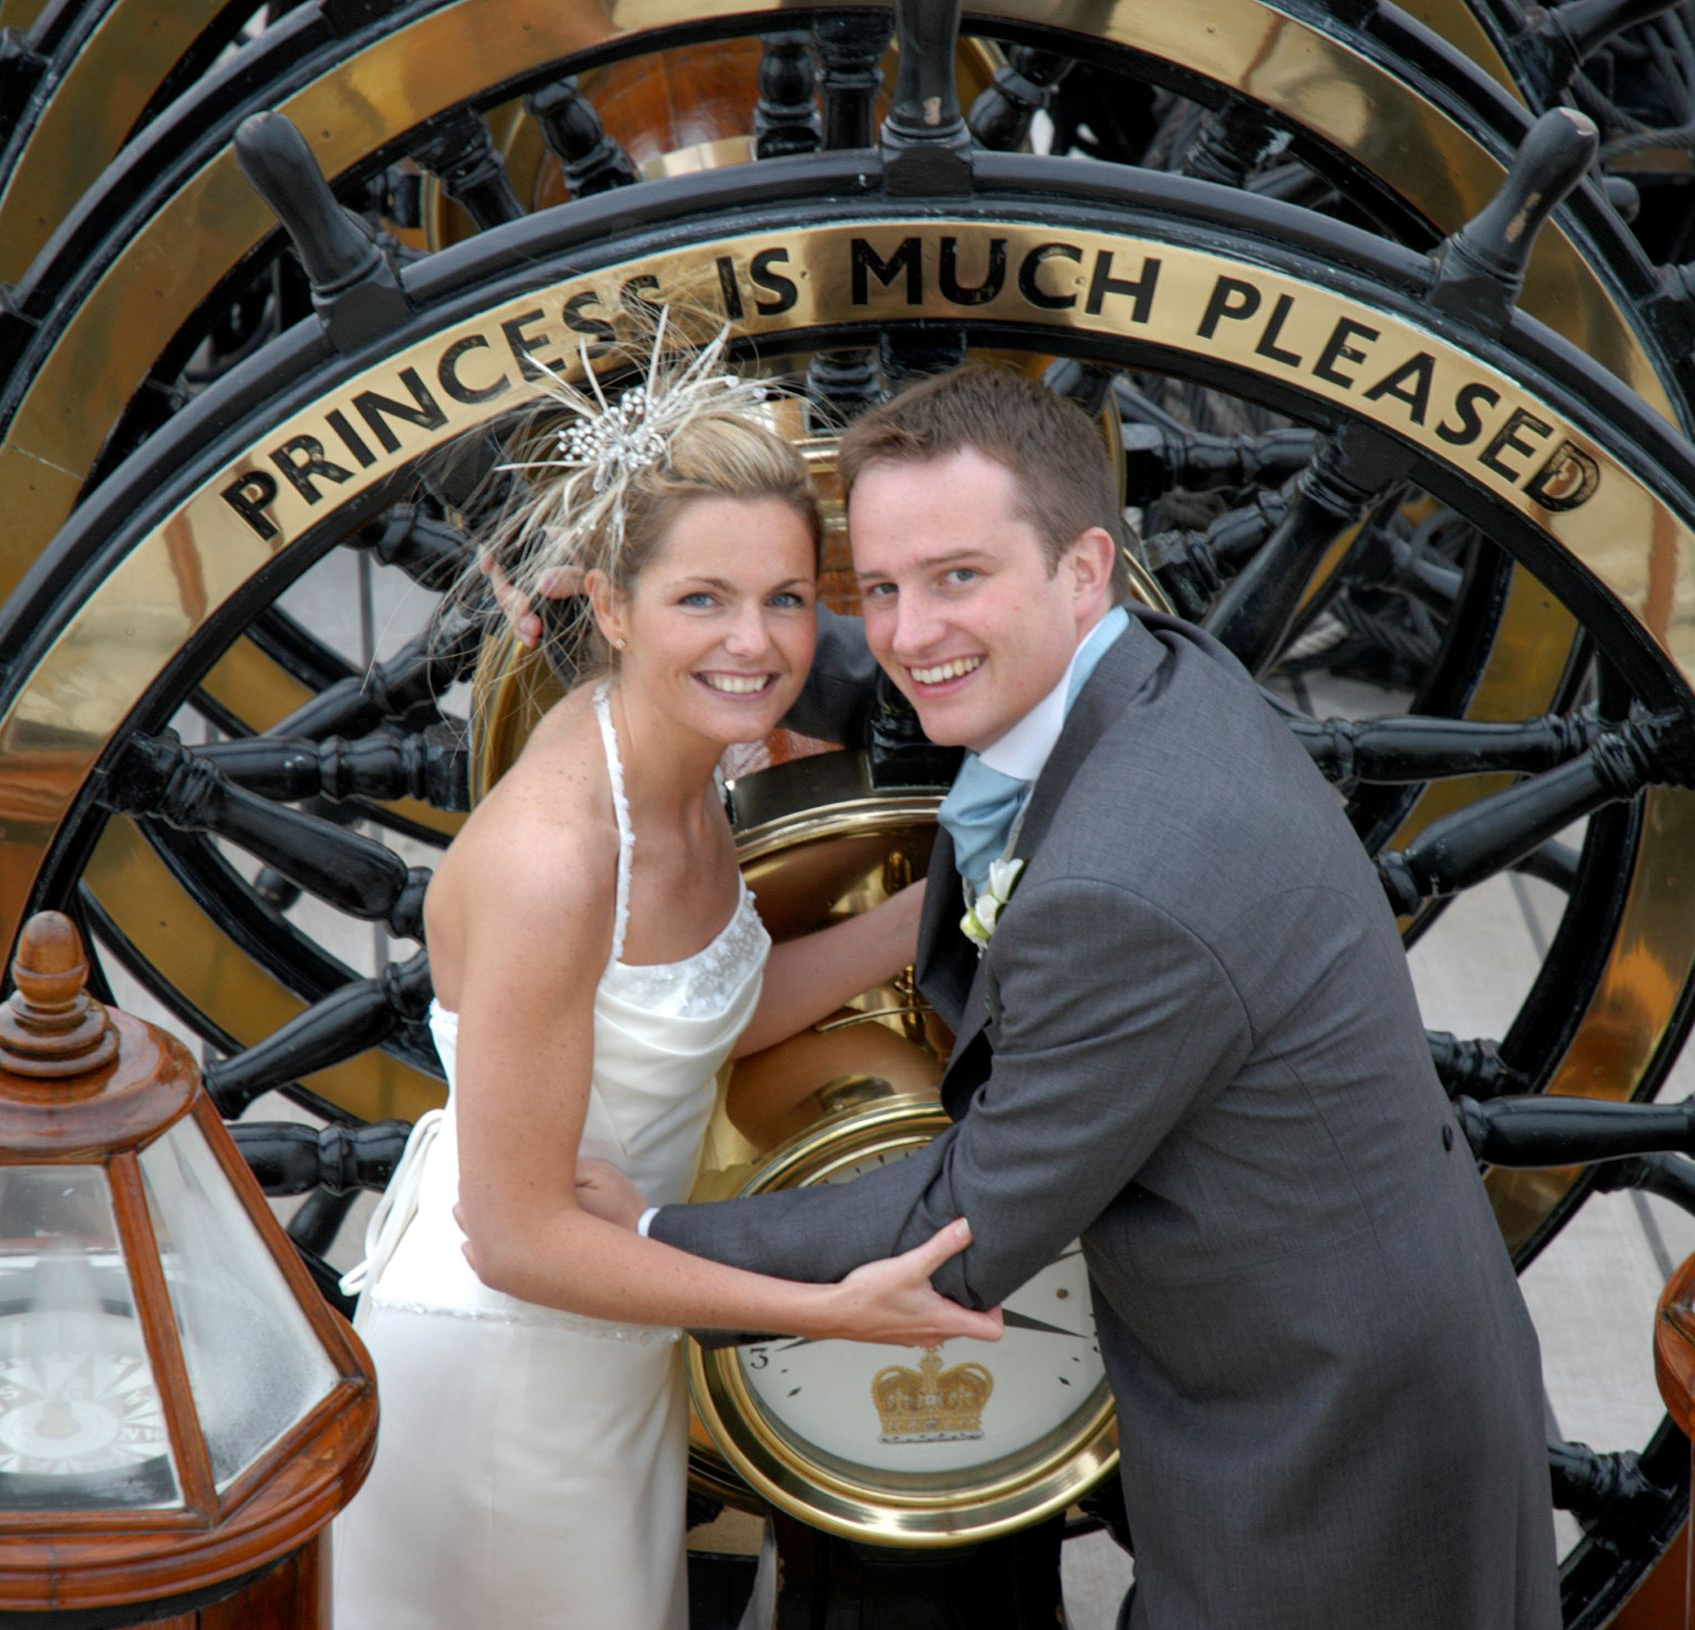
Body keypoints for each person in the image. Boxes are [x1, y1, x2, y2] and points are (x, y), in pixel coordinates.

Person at [569, 366, 1560, 1630]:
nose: (911, 630)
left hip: (1323, 1455)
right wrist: (699, 638)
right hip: (1323, 1340)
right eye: (879, 587)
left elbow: (959, 1230)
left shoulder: (1123, 887)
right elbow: (922, 666)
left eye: (958, 577)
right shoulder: (1146, 673)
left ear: (1086, 569)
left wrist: (649, 1237)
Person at [330, 340, 1002, 1630]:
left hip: (606, 1349)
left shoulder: (676, 767)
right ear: (614, 603)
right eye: (704, 599)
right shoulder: (555, 857)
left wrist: (945, 908)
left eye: (790, 599)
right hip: (506, 1378)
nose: (757, 644)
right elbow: (519, 1238)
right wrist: (823, 1309)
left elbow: (698, 1007)